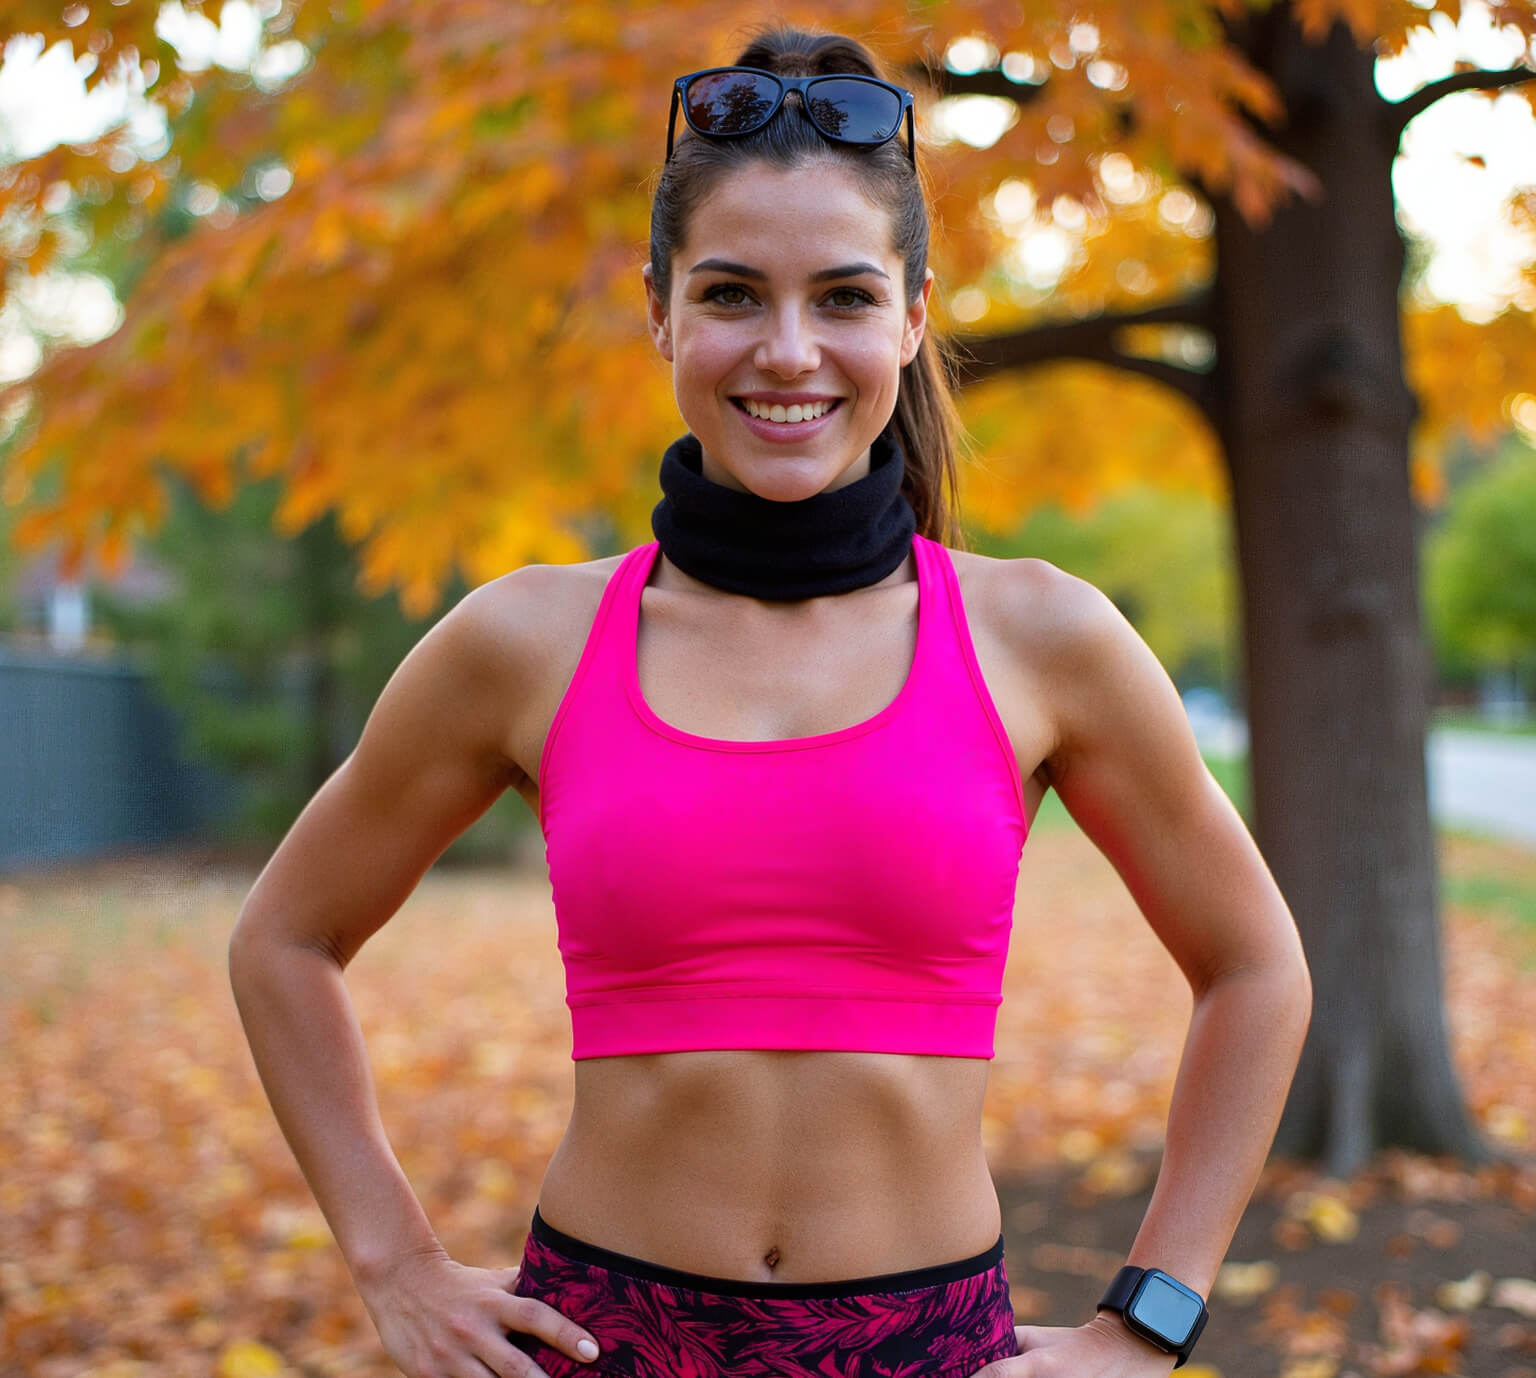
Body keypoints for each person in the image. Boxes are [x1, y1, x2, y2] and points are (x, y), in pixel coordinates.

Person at [228, 23, 1313, 1378]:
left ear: (913, 318)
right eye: (733, 294)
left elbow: (1258, 969)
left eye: (845, 298)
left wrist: (1149, 1322)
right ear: (661, 310)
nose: (789, 350)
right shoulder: (524, 641)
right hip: (601, 1343)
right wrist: (392, 1259)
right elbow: (284, 938)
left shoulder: (1044, 637)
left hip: (934, 1352)